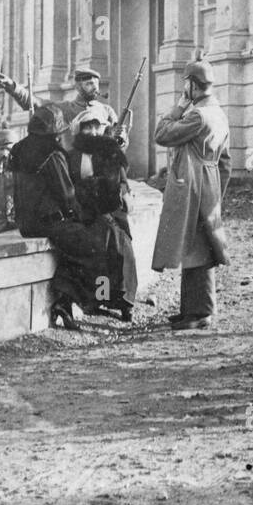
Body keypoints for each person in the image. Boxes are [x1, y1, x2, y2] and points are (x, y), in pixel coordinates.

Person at [152, 61, 231, 331]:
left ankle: (200, 313)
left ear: (193, 86)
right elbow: (226, 162)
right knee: (196, 245)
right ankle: (190, 309)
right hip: (208, 183)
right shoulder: (218, 112)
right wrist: (217, 191)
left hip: (192, 184)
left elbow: (161, 134)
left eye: (186, 83)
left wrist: (178, 107)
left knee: (197, 248)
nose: (184, 88)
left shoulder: (197, 115)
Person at [8, 102, 100, 329]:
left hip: (25, 223)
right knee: (92, 244)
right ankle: (73, 299)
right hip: (48, 223)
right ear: (55, 133)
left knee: (71, 245)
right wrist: (82, 216)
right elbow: (66, 195)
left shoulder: (18, 149)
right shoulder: (53, 153)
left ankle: (65, 303)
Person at [68, 102, 136, 321]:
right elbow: (70, 185)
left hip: (112, 209)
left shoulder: (110, 150)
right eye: (88, 127)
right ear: (81, 130)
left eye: (97, 126)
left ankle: (126, 301)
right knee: (99, 256)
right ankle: (101, 298)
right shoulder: (73, 156)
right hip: (87, 212)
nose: (93, 132)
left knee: (122, 249)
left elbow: (120, 181)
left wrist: (122, 194)